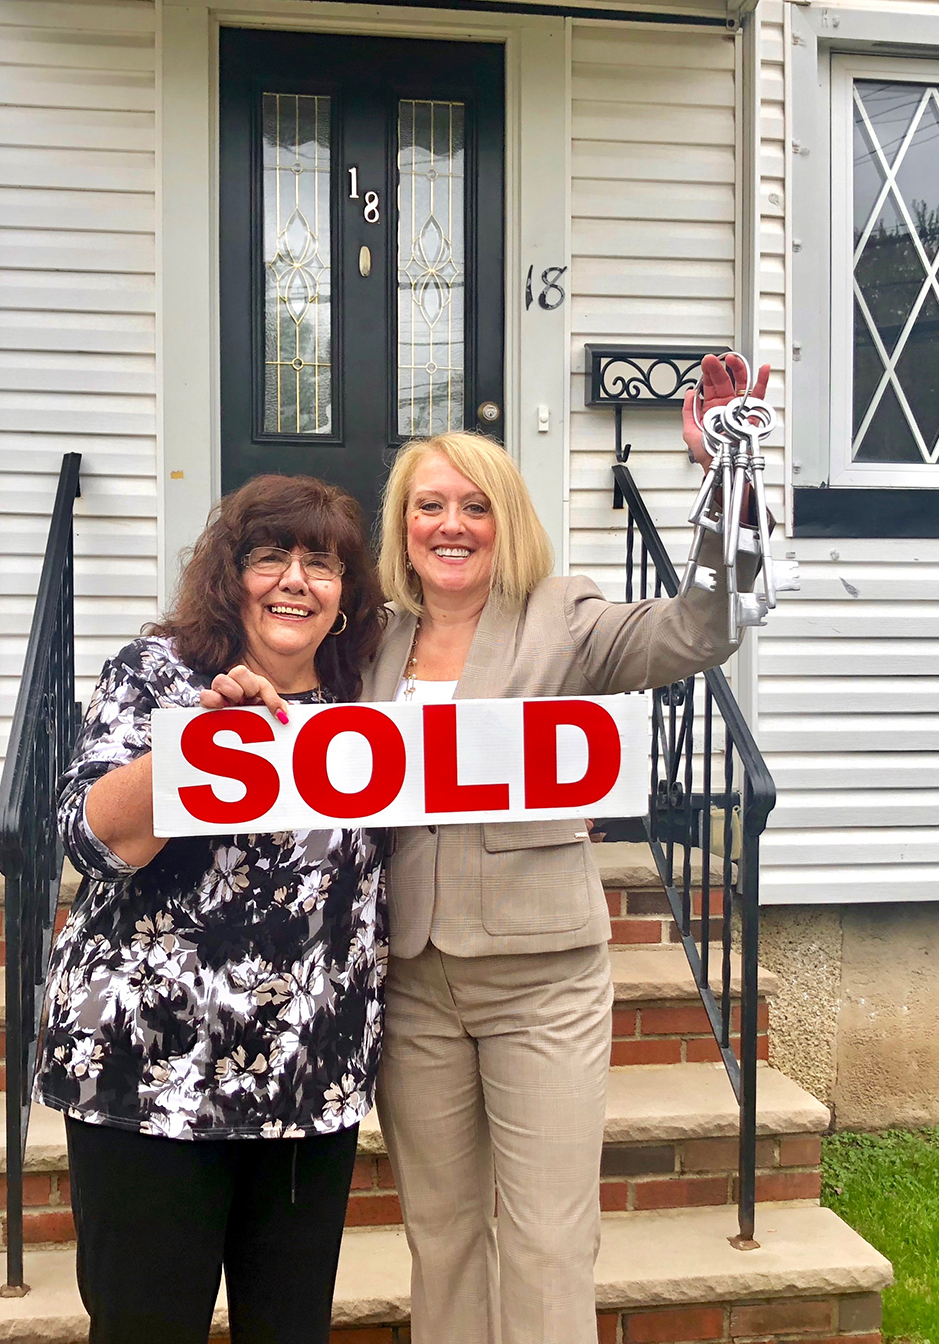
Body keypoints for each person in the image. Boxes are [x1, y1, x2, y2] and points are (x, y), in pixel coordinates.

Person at [358, 353, 768, 1344]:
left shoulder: (561, 616)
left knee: (546, 1242)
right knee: (442, 1237)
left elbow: (702, 629)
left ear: (508, 522)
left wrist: (729, 481)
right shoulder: (368, 640)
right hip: (412, 978)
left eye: (474, 506)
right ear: (402, 530)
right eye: (427, 507)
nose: (449, 525)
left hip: (541, 980)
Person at [34, 473, 389, 1344]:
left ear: (345, 595)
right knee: (145, 1327)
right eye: (270, 557)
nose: (296, 580)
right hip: (151, 1075)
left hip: (308, 1080)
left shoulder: (366, 707)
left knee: (290, 1330)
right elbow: (89, 840)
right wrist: (199, 746)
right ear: (229, 576)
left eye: (321, 563)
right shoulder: (158, 674)